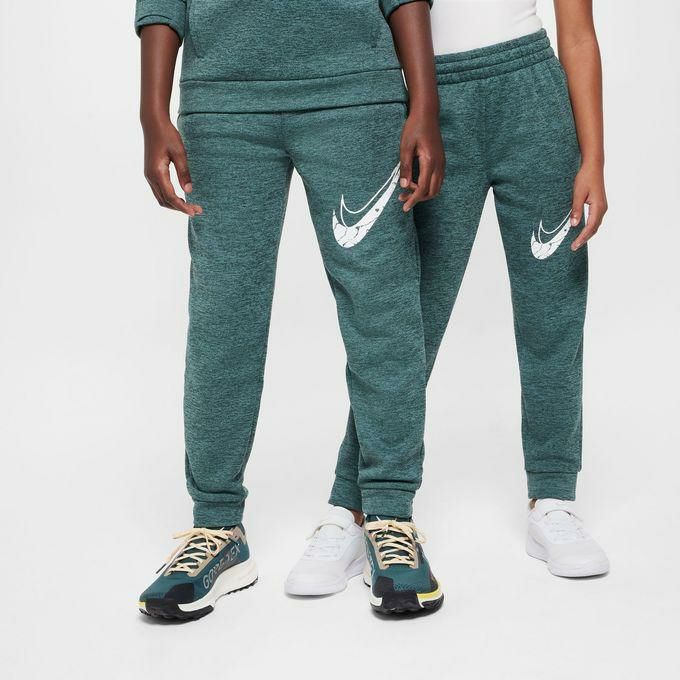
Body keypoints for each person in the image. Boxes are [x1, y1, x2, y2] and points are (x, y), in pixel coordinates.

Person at [287, 0, 610, 604]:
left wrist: (593, 156)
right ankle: (353, 506)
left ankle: (554, 497)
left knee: (552, 312)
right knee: (408, 322)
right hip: (430, 98)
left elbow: (578, 34)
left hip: (532, 95)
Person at [133, 0, 445, 621]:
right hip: (222, 104)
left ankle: (389, 515)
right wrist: (152, 112)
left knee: (380, 309)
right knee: (223, 318)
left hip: (356, 92)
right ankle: (217, 525)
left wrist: (424, 103)